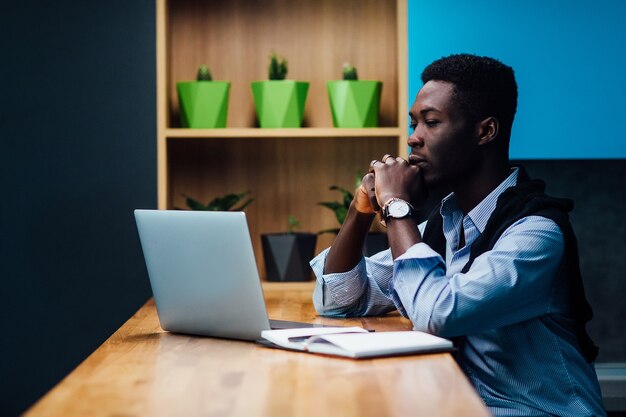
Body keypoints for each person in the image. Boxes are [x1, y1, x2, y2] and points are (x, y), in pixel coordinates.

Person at [310, 53, 606, 416]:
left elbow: (436, 311)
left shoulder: (535, 235)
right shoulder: (446, 226)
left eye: (431, 122)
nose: (413, 139)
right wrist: (361, 209)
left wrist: (396, 205)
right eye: (414, 123)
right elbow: (340, 299)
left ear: (485, 131)